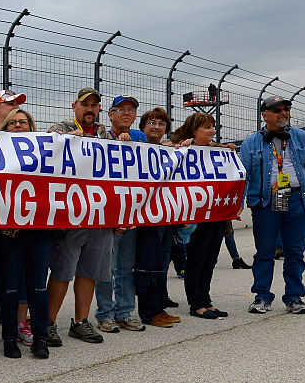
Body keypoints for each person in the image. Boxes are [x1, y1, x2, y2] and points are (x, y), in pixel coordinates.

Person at [46, 87, 113, 345]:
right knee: (63, 270)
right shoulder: (60, 128)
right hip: (71, 215)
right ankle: (49, 322)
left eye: (95, 105)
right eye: (86, 104)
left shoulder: (105, 133)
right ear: (75, 106)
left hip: (99, 214)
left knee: (90, 271)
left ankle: (81, 321)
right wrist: (63, 141)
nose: (90, 109)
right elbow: (46, 147)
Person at [241, 95, 305, 315]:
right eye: (277, 110)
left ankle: (294, 297)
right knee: (265, 250)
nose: (284, 113)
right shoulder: (251, 142)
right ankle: (262, 296)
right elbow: (244, 175)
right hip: (266, 200)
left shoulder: (302, 137)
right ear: (265, 115)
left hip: (295, 198)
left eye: (286, 109)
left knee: (295, 251)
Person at [0, 109, 51, 359]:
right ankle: (9, 338)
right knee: (11, 287)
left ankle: (40, 338)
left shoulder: (44, 152)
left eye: (23, 122)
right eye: (12, 123)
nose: (18, 125)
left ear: (31, 126)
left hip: (38, 231)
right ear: (5, 128)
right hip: (9, 232)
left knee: (38, 287)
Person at [93, 96, 147, 333]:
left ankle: (125, 311)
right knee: (106, 267)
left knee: (126, 265)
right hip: (108, 212)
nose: (127, 113)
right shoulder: (101, 137)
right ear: (110, 114)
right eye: (121, 109)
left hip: (131, 212)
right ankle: (105, 313)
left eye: (131, 110)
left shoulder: (140, 138)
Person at [170, 113, 231, 320]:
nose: (212, 130)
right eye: (207, 127)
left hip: (217, 211)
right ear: (194, 130)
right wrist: (180, 147)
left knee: (210, 259)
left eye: (213, 126)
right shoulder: (182, 148)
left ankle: (205, 300)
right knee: (197, 258)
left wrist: (226, 150)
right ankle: (196, 303)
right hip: (196, 213)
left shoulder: (217, 150)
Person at [132, 108, 182, 328]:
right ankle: (149, 311)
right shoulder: (134, 148)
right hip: (143, 216)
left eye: (161, 124)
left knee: (162, 262)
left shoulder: (170, 151)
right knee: (147, 264)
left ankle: (159, 304)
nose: (156, 127)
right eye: (151, 122)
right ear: (143, 127)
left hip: (165, 215)